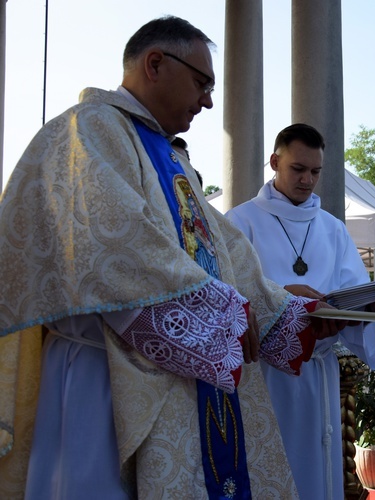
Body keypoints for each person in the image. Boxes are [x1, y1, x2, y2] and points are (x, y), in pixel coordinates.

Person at [0, 16, 348, 499]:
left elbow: (223, 248)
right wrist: (224, 311)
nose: (208, 100)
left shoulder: (169, 157)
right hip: (99, 377)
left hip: (164, 379)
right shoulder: (88, 132)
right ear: (156, 63)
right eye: (202, 83)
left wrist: (285, 313)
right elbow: (115, 249)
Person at [225, 123, 375, 500]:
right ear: (275, 162)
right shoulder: (239, 222)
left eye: (315, 171)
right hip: (264, 376)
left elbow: (350, 294)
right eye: (298, 169)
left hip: (318, 371)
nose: (308, 179)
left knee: (317, 471)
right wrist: (282, 297)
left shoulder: (333, 229)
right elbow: (227, 297)